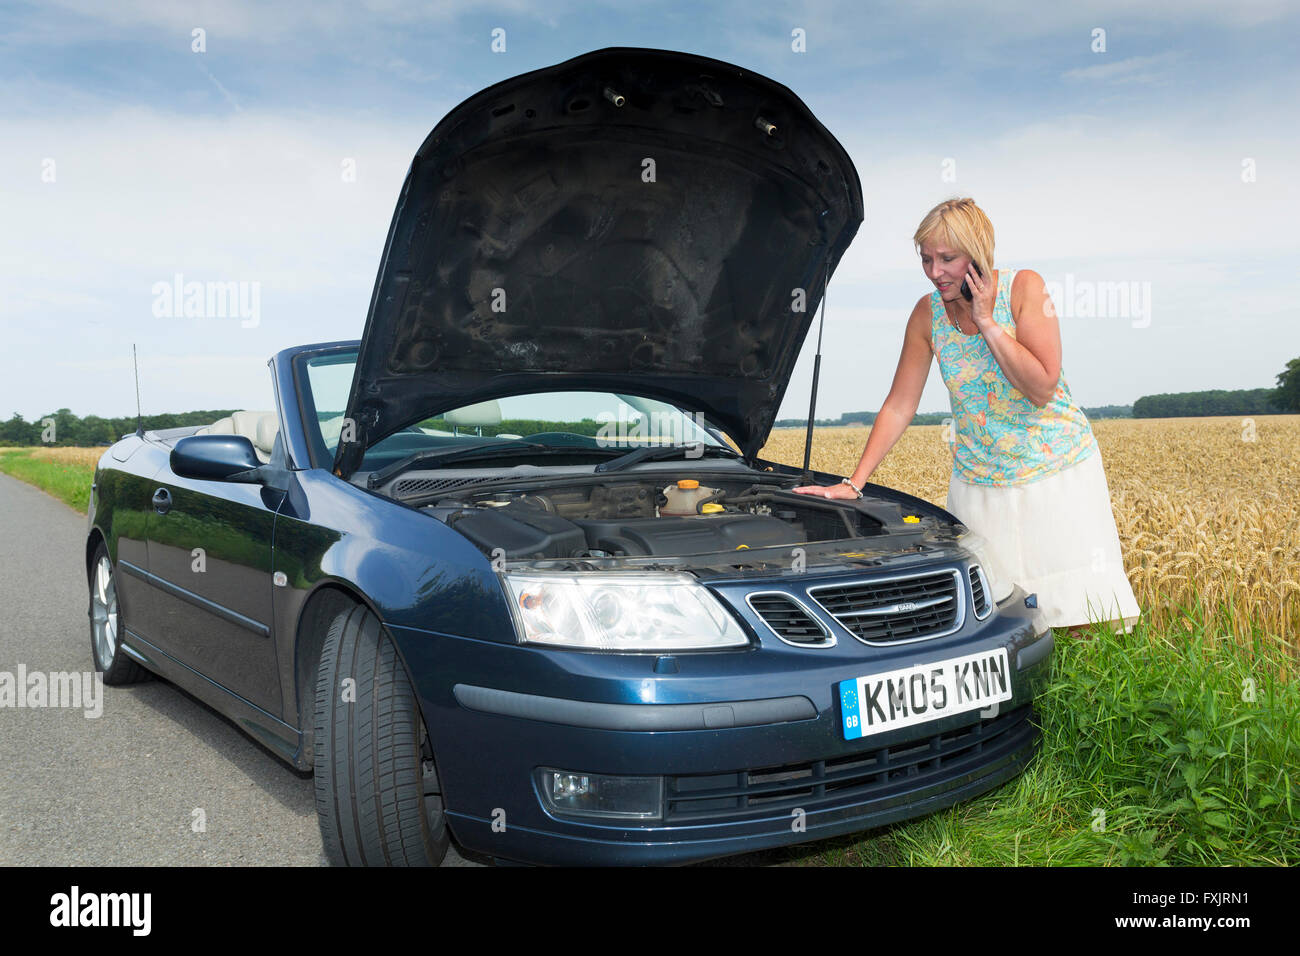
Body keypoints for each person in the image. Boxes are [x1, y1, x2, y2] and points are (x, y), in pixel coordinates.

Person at [793, 197, 1141, 638]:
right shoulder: (926, 315)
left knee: (1081, 621)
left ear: (976, 255)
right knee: (998, 625)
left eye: (947, 259)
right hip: (980, 485)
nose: (935, 271)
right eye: (926, 259)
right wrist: (853, 482)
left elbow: (1041, 387)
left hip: (1057, 477)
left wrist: (988, 322)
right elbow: (900, 404)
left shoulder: (1024, 289)